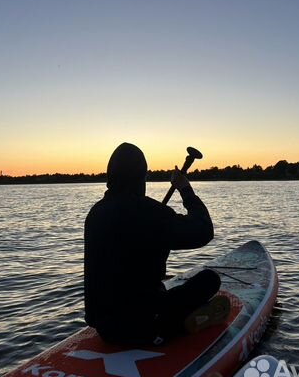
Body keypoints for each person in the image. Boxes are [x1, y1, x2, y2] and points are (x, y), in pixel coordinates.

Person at [84, 142, 230, 346]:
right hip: (144, 325)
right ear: (141, 177)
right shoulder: (149, 213)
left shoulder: (96, 213)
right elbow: (203, 230)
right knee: (209, 279)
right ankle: (178, 325)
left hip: (105, 329)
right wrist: (185, 189)